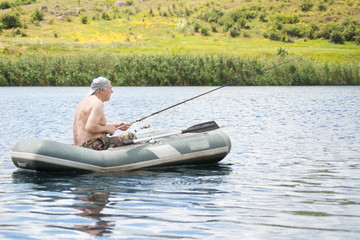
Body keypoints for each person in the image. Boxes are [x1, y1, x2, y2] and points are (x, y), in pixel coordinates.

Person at [73, 77, 136, 150]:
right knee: (130, 135)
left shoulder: (83, 102)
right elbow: (90, 127)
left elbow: (91, 125)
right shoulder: (97, 103)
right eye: (110, 88)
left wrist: (115, 126)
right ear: (102, 90)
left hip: (79, 146)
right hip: (92, 145)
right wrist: (108, 129)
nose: (112, 91)